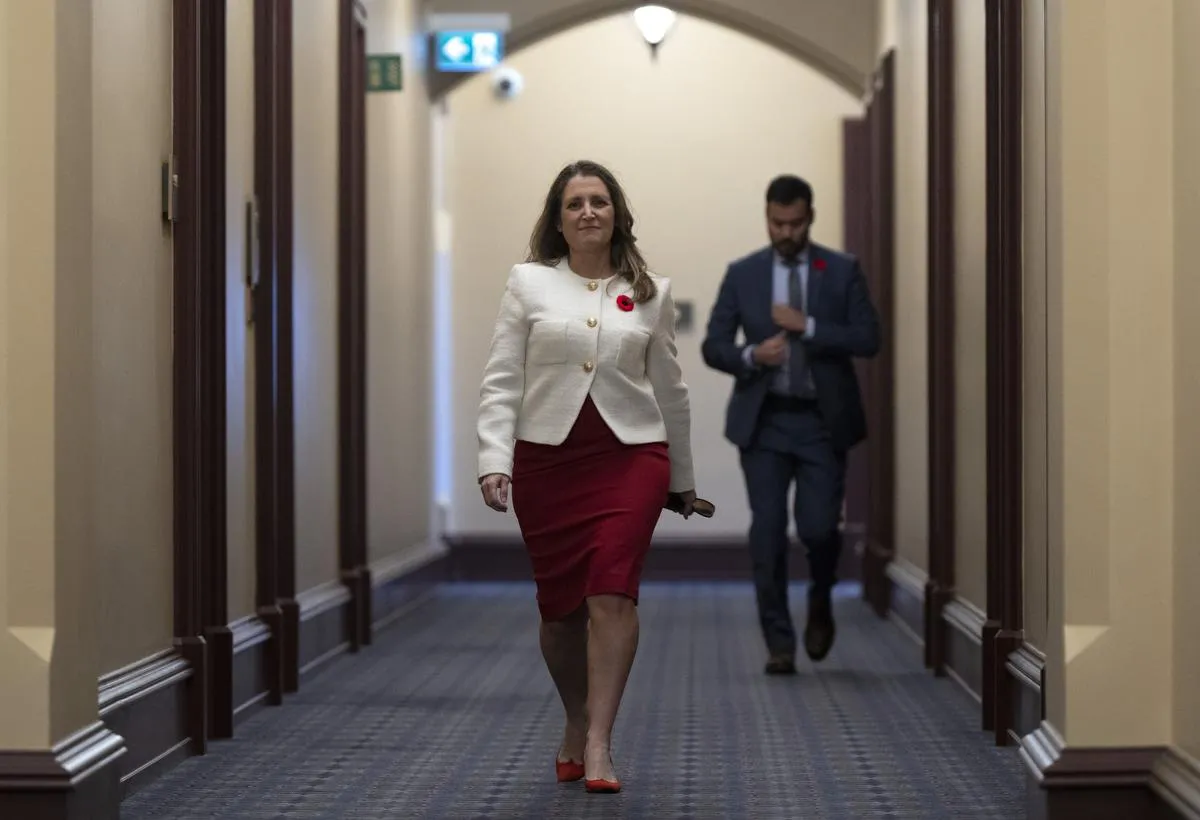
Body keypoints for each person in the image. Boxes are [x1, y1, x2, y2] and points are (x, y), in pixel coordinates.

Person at [476, 160, 696, 793]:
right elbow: (501, 379)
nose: (588, 212)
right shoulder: (528, 285)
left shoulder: (652, 292)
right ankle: (576, 717)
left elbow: (671, 392)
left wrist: (682, 478)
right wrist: (494, 459)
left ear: (617, 214)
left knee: (612, 593)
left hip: (632, 457)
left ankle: (599, 741)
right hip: (547, 459)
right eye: (574, 204)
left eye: (599, 201)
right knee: (560, 611)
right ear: (559, 220)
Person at [701, 175, 880, 676]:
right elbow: (713, 345)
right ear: (767, 218)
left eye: (795, 223)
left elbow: (869, 338)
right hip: (765, 423)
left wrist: (812, 328)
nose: (786, 231)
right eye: (777, 223)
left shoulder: (840, 270)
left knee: (821, 529)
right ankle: (778, 642)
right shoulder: (745, 274)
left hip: (823, 422)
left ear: (810, 217)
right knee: (769, 533)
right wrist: (750, 354)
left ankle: (821, 596)